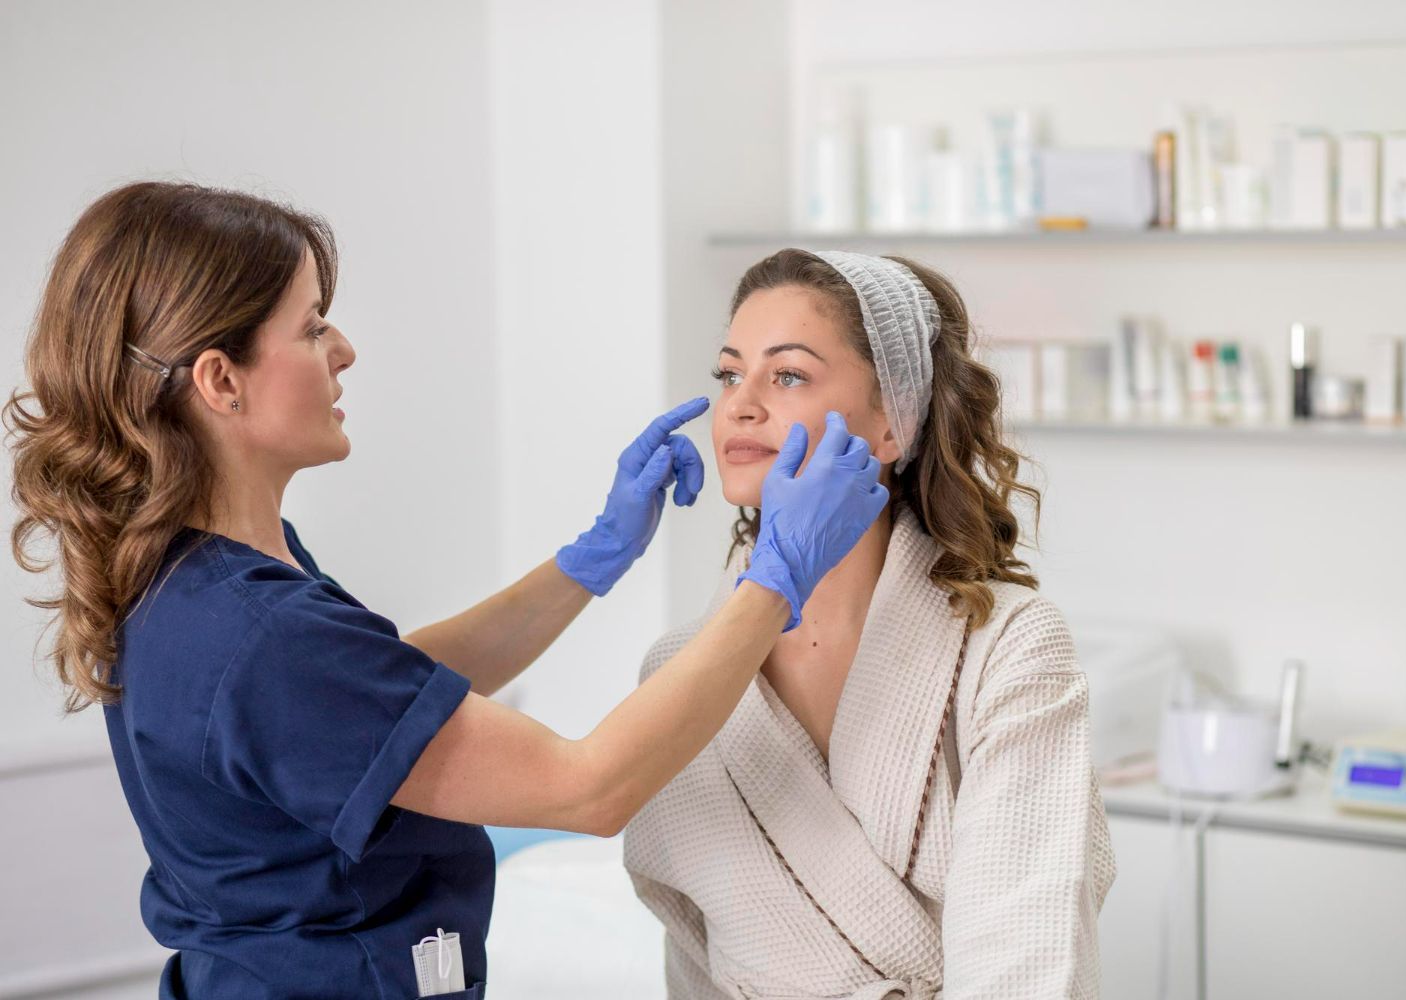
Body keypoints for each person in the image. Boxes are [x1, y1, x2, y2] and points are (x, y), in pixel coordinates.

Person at [4, 184, 888, 1000]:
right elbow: (590, 789)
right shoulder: (258, 633)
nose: (344, 349)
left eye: (791, 374)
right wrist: (776, 578)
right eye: (313, 328)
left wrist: (592, 558)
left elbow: (382, 698)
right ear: (219, 379)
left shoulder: (201, 576)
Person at [625, 249, 1116, 999]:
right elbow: (694, 967)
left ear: (892, 423)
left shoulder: (1008, 650)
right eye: (729, 374)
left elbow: (1030, 964)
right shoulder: (677, 672)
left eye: (787, 374)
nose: (740, 404)